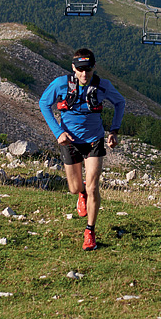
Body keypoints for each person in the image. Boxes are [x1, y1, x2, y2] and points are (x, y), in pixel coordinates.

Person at [38, 48, 126, 250]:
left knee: (94, 187)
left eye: (88, 69)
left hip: (94, 140)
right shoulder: (61, 84)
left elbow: (120, 102)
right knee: (74, 188)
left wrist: (114, 130)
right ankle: (81, 192)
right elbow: (44, 103)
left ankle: (90, 232)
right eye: (80, 70)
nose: (84, 74)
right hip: (69, 142)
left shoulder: (103, 85)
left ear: (94, 67)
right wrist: (58, 132)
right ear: (73, 68)